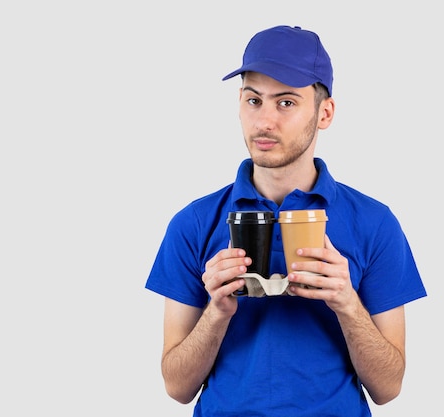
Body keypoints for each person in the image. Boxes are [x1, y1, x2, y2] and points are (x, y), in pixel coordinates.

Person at [145, 25, 427, 416]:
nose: (264, 121)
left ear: (324, 113)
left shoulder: (374, 223)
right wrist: (217, 312)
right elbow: (176, 387)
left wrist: (347, 303)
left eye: (287, 103)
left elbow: (389, 387)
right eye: (253, 100)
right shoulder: (193, 222)